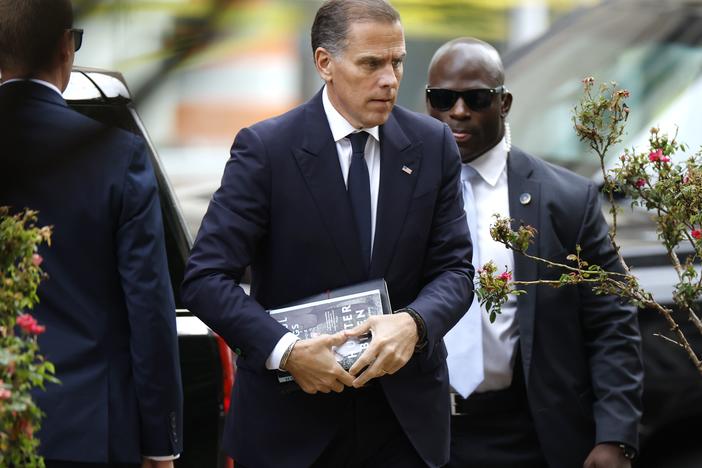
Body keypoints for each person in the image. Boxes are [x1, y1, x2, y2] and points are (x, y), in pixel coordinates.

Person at [180, 1, 473, 467]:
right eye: (371, 64)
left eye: (397, 61)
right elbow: (206, 278)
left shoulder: (433, 145)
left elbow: (456, 271)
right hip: (292, 429)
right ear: (324, 64)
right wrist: (287, 351)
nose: (390, 79)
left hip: (404, 428)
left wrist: (414, 324)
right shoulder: (266, 150)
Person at [426, 37, 643, 468]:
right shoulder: (401, 191)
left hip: (529, 438)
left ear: (504, 103)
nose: (459, 111)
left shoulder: (566, 199)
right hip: (421, 437)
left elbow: (611, 321)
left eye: (477, 98)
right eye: (444, 98)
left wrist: (615, 435)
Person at [0, 1, 183, 467]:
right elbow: (149, 310)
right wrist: (161, 442)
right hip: (86, 432)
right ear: (66, 46)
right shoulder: (117, 157)